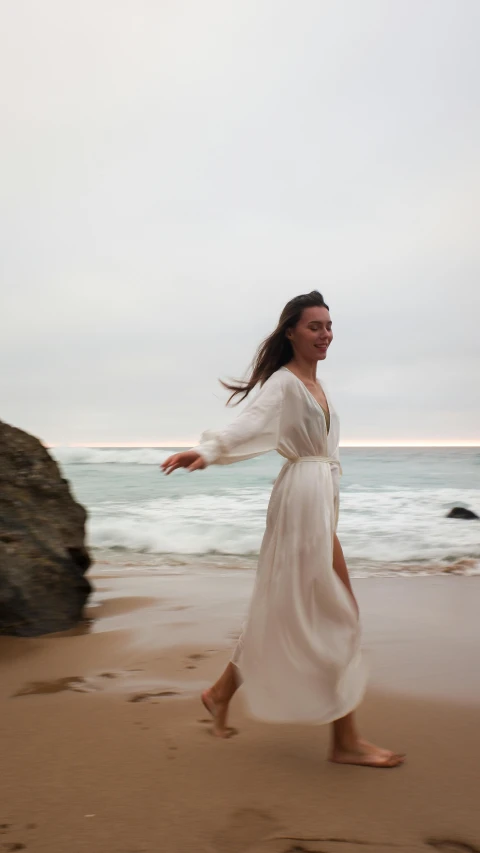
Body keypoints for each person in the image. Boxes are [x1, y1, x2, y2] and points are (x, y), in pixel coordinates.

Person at [162, 291, 405, 768]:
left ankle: (220, 692)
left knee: (293, 607)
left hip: (319, 500)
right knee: (336, 614)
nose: (325, 334)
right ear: (291, 332)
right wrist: (208, 452)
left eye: (329, 326)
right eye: (315, 326)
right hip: (301, 502)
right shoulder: (285, 383)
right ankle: (345, 741)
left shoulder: (317, 387)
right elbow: (248, 424)